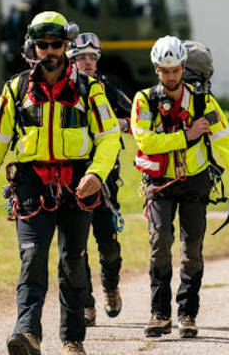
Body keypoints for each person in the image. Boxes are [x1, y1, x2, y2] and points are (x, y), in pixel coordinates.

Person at [0, 11, 121, 355]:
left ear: (66, 46)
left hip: (78, 185)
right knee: (33, 255)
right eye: (42, 45)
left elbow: (110, 138)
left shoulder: (90, 90)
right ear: (32, 48)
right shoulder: (15, 90)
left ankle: (72, 339)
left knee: (73, 261)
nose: (48, 51)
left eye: (55, 45)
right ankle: (27, 333)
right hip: (31, 186)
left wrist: (95, 174)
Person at [131, 35, 229, 338]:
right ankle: (159, 313)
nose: (170, 76)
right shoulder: (143, 100)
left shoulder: (203, 103)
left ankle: (187, 314)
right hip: (160, 184)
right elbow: (145, 140)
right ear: (156, 69)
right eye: (164, 70)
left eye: (175, 70)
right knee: (160, 242)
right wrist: (186, 136)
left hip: (195, 182)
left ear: (183, 67)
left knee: (192, 251)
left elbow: (224, 140)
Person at [67, 32, 132, 326]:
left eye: (93, 57)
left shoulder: (107, 88)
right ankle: (86, 303)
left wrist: (118, 124)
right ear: (71, 60)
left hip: (105, 180)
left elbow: (140, 122)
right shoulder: (65, 90)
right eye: (82, 57)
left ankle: (111, 287)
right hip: (71, 179)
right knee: (76, 247)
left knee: (108, 245)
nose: (88, 62)